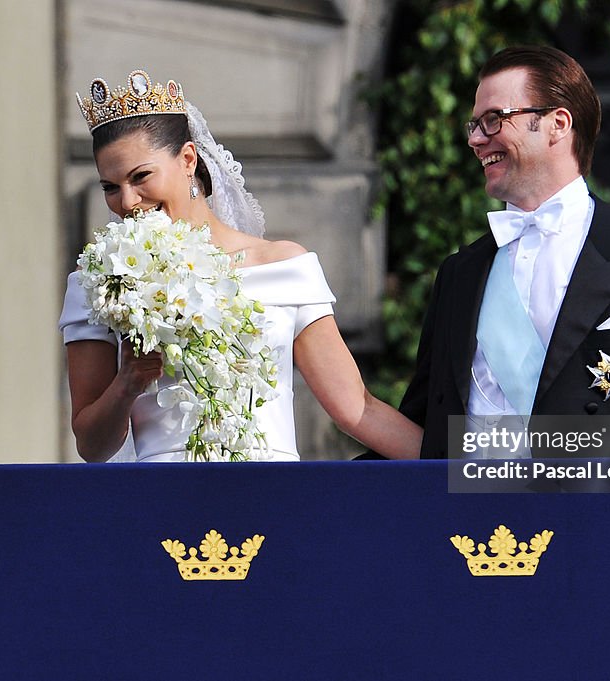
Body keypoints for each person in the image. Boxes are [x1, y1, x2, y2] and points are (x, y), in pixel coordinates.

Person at [60, 70, 421, 462]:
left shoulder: (285, 267)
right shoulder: (99, 284)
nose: (127, 202)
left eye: (140, 176)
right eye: (110, 187)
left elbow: (358, 409)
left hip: (270, 499)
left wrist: (473, 470)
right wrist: (127, 383)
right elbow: (91, 447)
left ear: (187, 159)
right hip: (162, 506)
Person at [397, 46, 610, 458]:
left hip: (594, 516)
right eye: (474, 125)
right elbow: (425, 431)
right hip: (468, 517)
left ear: (557, 124)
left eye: (494, 119)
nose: (476, 139)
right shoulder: (459, 273)